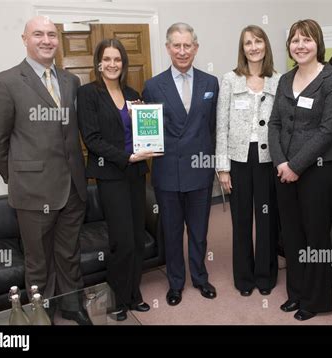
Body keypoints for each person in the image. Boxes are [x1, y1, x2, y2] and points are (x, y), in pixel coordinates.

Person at [0, 16, 91, 325]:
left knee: (69, 254)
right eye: (39, 34)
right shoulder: (5, 81)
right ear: (25, 39)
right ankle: (41, 313)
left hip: (73, 187)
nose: (46, 40)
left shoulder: (71, 81)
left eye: (52, 35)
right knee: (39, 261)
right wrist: (17, 176)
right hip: (32, 191)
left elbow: (70, 133)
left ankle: (72, 305)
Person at [268, 19, 332, 321]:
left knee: (316, 237)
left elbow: (328, 130)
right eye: (295, 40)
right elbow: (274, 124)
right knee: (292, 236)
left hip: (317, 171)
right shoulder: (285, 79)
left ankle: (317, 300)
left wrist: (296, 165)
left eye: (307, 39)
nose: (300, 45)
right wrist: (281, 163)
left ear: (318, 44)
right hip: (284, 170)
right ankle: (296, 293)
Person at [77, 39, 160, 320]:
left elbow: (143, 130)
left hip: (136, 174)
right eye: (107, 59)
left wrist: (148, 144)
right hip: (111, 175)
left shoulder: (132, 93)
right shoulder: (88, 94)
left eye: (117, 59)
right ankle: (118, 300)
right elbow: (92, 139)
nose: (113, 64)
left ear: (123, 64)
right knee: (121, 241)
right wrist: (126, 157)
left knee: (137, 239)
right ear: (99, 63)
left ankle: (134, 294)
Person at [142, 23, 219, 306]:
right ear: (168, 48)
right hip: (168, 173)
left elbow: (212, 128)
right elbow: (148, 131)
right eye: (177, 45)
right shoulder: (152, 85)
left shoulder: (210, 83)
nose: (183, 51)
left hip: (200, 171)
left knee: (199, 232)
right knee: (172, 233)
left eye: (188, 45)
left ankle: (199, 277)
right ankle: (175, 283)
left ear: (196, 48)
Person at [216, 25, 280, 297]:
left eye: (258, 41)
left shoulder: (279, 79)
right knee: (241, 219)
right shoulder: (230, 79)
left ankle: (265, 275)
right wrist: (222, 167)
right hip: (238, 158)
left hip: (268, 159)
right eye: (247, 43)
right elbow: (221, 124)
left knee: (266, 220)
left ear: (265, 45)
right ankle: (244, 277)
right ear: (242, 49)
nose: (253, 47)